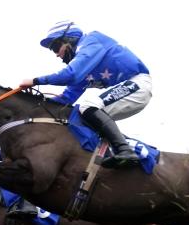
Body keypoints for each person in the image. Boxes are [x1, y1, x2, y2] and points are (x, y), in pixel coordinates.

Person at [20, 20, 152, 168]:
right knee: (78, 115)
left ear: (70, 39)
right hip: (129, 89)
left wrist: (36, 81)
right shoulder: (84, 69)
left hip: (138, 84)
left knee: (88, 106)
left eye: (56, 47)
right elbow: (66, 98)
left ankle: (125, 150)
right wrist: (35, 104)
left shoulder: (92, 40)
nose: (57, 54)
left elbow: (71, 74)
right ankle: (112, 152)